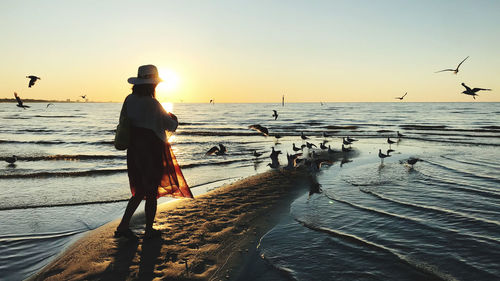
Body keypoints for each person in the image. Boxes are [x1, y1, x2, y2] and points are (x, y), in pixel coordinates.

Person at [115, 64, 193, 240]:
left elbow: (123, 121)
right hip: (151, 150)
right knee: (151, 192)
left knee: (139, 190)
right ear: (153, 84)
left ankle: (123, 225)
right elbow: (170, 125)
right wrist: (174, 117)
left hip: (134, 149)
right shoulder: (153, 103)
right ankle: (149, 229)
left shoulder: (129, 99)